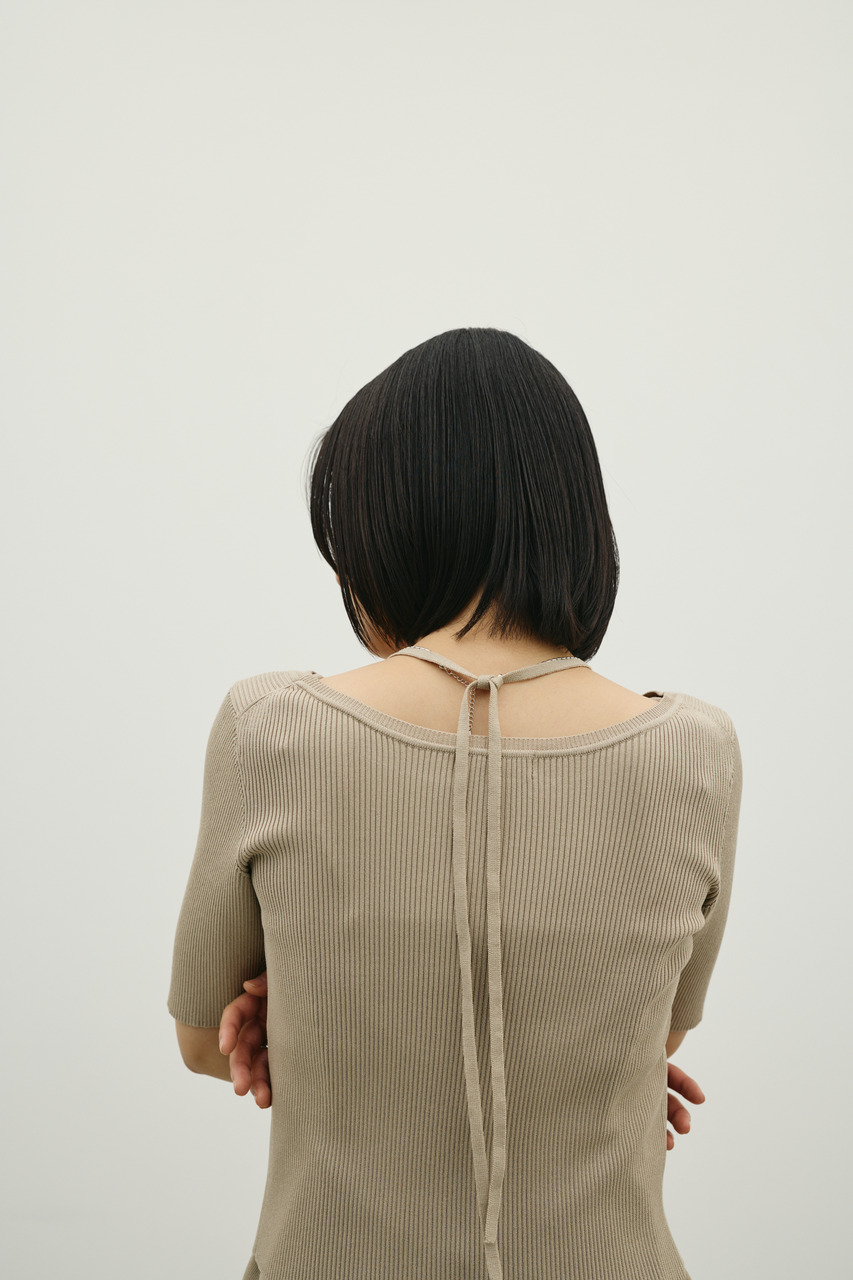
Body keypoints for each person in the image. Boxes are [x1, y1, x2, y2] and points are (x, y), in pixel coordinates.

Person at [167, 327, 742, 1280]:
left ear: (384, 529)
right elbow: (660, 1036)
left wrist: (313, 1004)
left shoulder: (270, 728)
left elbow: (202, 1039)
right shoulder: (695, 750)